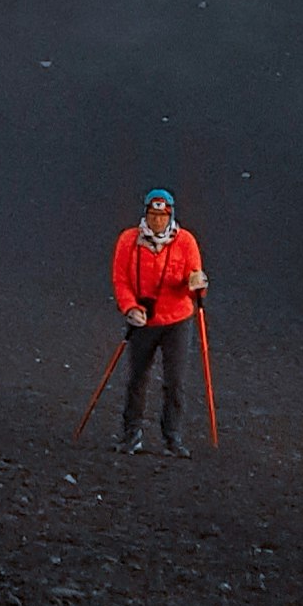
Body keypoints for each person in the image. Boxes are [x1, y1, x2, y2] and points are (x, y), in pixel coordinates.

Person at [109, 187, 206, 456]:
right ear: (145, 214)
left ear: (170, 216)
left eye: (162, 216)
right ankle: (131, 435)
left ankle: (172, 438)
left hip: (177, 319)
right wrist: (130, 307)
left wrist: (197, 285)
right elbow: (121, 279)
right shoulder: (128, 240)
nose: (157, 221)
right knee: (137, 378)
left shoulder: (186, 242)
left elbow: (195, 282)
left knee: (175, 381)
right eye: (153, 215)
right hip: (143, 320)